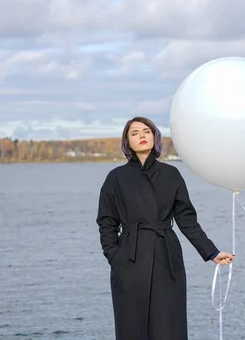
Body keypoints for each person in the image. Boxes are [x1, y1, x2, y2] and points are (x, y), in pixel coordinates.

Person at [96, 116, 234, 340]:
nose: (141, 135)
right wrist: (115, 257)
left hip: (166, 258)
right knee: (132, 327)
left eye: (146, 131)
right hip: (129, 259)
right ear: (127, 143)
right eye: (134, 133)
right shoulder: (115, 178)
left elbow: (187, 220)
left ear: (155, 137)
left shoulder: (171, 175)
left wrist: (212, 253)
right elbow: (106, 222)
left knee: (168, 326)